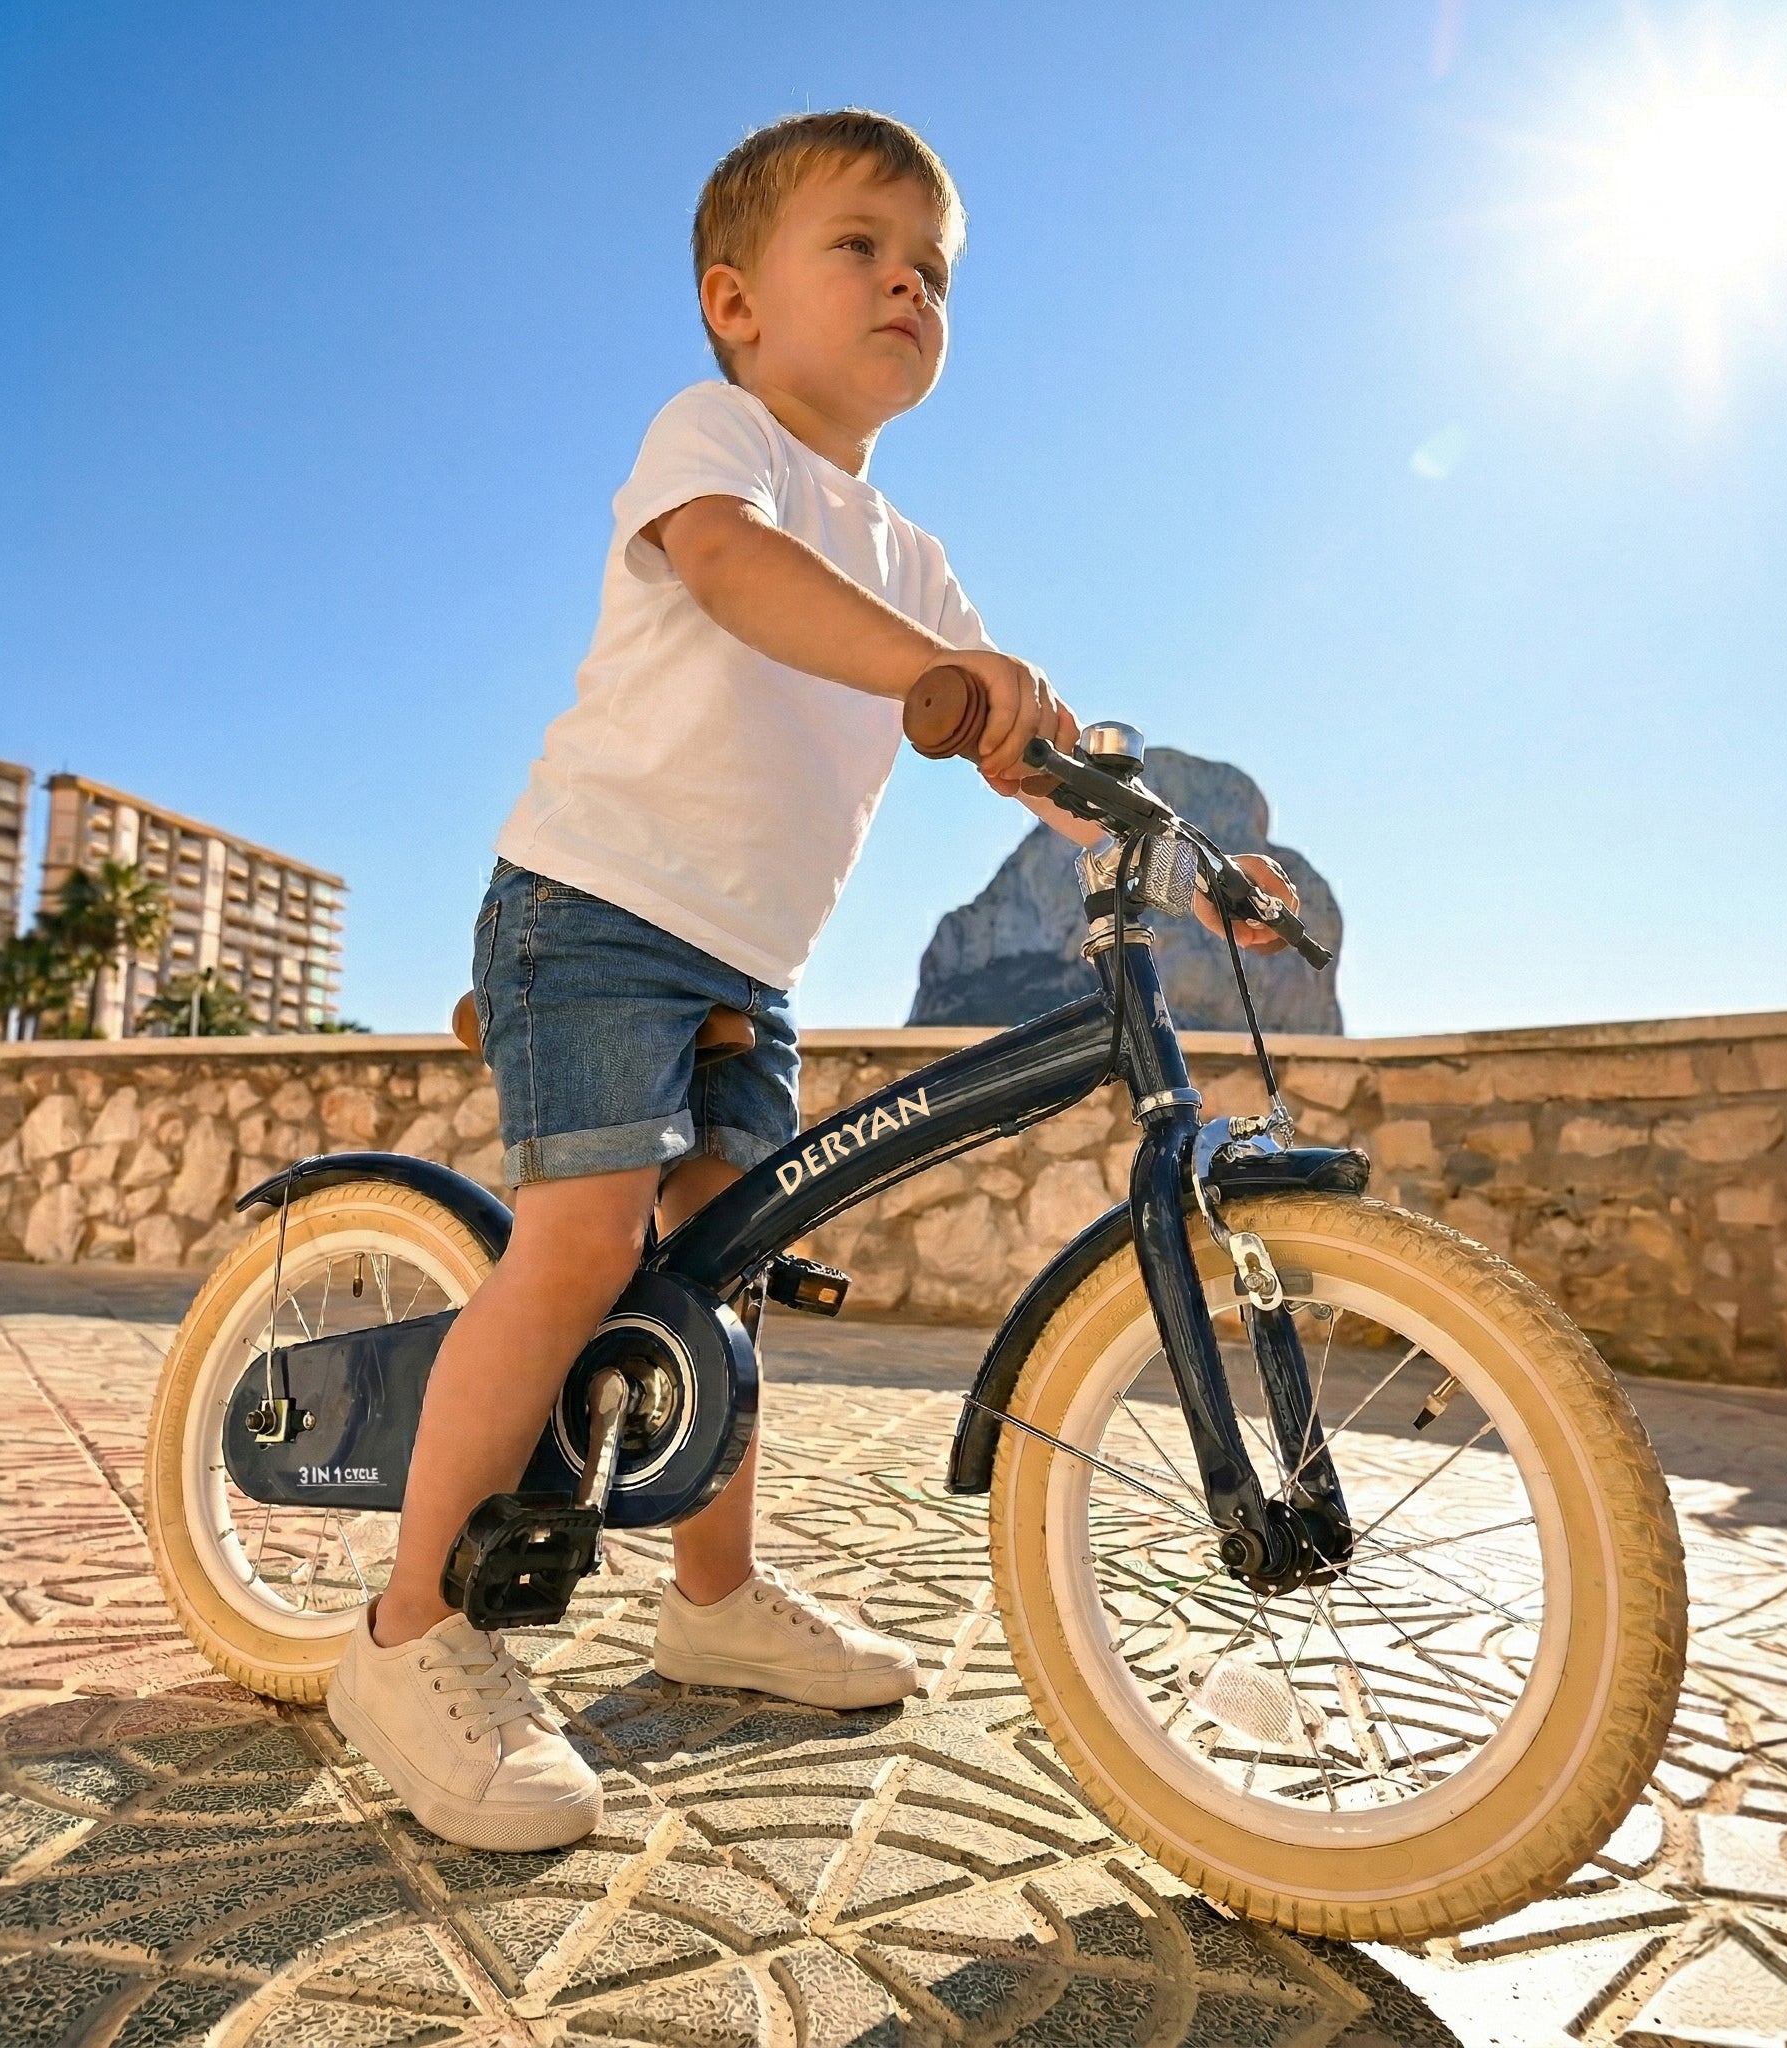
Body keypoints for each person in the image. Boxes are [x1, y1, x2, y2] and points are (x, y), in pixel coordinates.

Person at [326, 109, 1298, 1852]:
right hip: (594, 910)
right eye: (861, 246)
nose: (908, 285)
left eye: (935, 270)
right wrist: (944, 672)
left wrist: (1186, 863)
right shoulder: (719, 443)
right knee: (585, 1242)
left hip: (745, 964)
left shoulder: (917, 560)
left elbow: (1028, 752)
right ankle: (409, 1634)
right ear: (737, 302)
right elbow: (732, 571)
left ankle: (713, 1604)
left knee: (726, 1283)